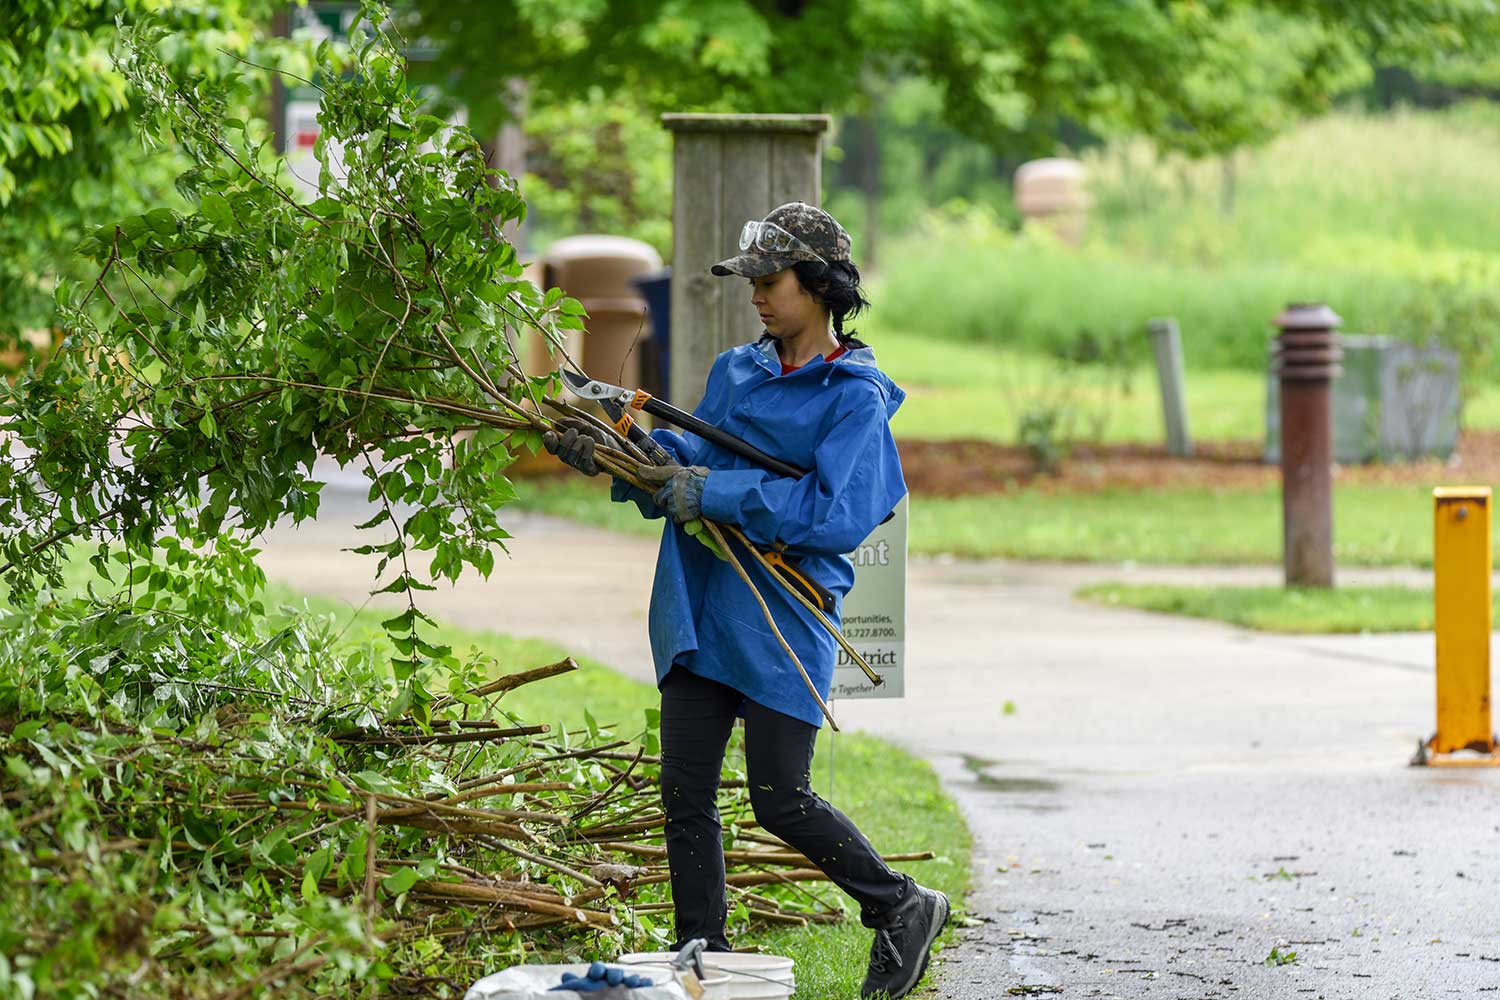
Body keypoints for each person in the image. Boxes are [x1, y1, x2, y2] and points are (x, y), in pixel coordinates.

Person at [543, 202, 947, 1000]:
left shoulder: (853, 397)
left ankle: (901, 906)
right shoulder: (736, 371)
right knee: (684, 794)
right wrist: (617, 456)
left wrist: (714, 492)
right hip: (703, 604)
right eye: (752, 281)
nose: (757, 294)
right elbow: (684, 470)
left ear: (821, 285)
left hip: (784, 617)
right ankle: (707, 958)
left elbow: (836, 515)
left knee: (779, 797)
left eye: (771, 279)